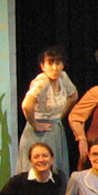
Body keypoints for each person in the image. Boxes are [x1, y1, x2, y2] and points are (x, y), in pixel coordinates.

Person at [18, 47, 77, 175]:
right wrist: (35, 124)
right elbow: (26, 105)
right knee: (38, 171)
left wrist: (59, 116)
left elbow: (73, 96)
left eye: (58, 63)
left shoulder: (63, 77)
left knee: (55, 171)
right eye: (50, 63)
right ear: (42, 66)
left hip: (54, 129)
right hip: (38, 133)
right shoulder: (42, 81)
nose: (55, 68)